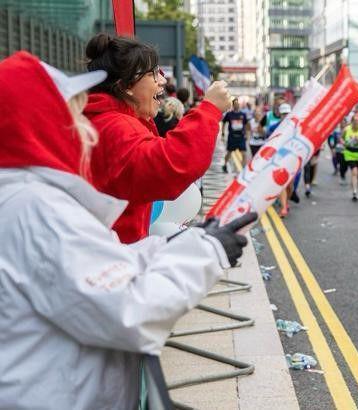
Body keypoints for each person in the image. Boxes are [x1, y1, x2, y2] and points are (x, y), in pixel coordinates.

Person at [0, 51, 257, 409]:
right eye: (72, 115)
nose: (83, 127)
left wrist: (189, 242)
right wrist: (207, 252)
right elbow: (131, 311)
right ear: (41, 123)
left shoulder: (26, 200)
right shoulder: (36, 209)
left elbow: (105, 262)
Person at [83, 33, 231, 244]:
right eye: (153, 73)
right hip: (116, 256)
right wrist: (210, 110)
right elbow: (173, 164)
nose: (162, 80)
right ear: (125, 86)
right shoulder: (116, 126)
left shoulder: (107, 119)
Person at [222, 98, 249, 172]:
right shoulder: (229, 114)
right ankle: (224, 164)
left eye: (238, 104)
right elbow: (224, 122)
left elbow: (246, 125)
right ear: (233, 105)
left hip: (241, 137)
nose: (237, 105)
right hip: (232, 136)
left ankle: (244, 169)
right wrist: (223, 132)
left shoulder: (243, 114)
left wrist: (246, 134)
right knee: (229, 152)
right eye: (235, 104)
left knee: (244, 153)